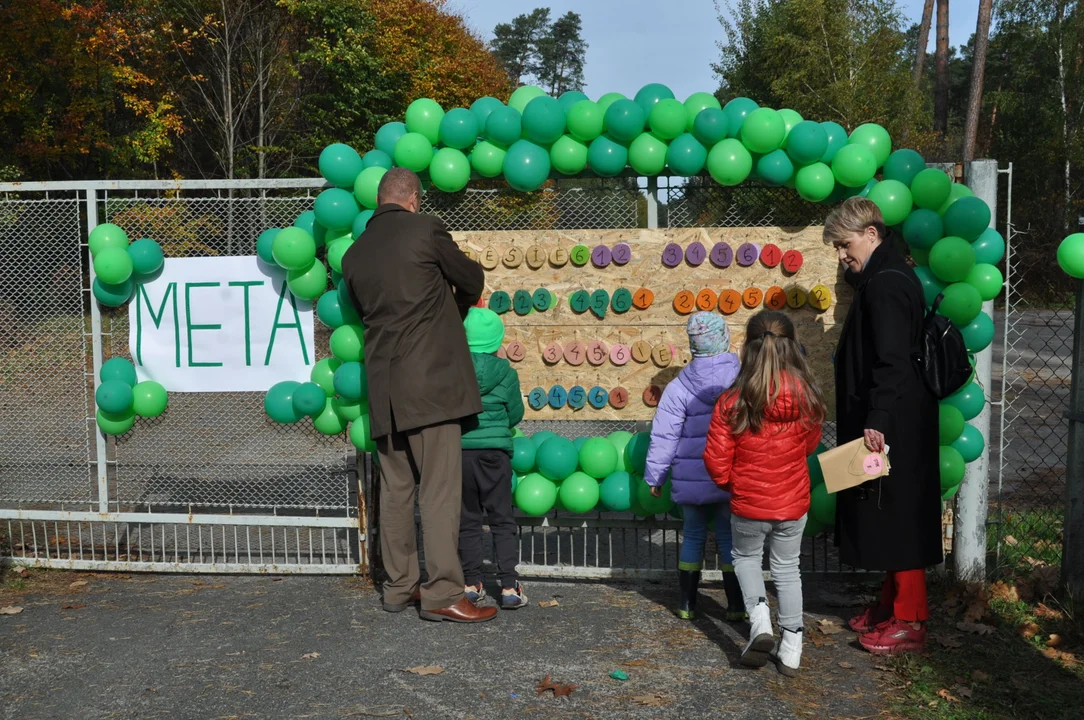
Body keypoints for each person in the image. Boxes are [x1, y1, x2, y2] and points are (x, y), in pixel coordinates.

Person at [341, 168, 496, 623]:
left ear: (380, 200)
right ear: (413, 199)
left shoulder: (353, 255)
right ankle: (444, 593)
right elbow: (471, 278)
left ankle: (398, 588)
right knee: (440, 492)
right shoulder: (425, 228)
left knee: (395, 490)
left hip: (384, 390)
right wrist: (454, 307)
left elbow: (364, 309)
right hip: (432, 387)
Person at [823, 197, 941, 654]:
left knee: (900, 517)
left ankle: (910, 620)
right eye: (836, 247)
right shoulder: (883, 277)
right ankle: (891, 604)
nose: (841, 255)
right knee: (887, 515)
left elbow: (892, 362)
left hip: (894, 421)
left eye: (844, 244)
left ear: (871, 234)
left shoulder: (886, 285)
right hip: (894, 416)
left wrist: (878, 419)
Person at [703, 310, 825, 677]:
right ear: (792, 348)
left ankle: (760, 623)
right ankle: (792, 646)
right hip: (792, 501)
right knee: (788, 570)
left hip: (749, 502)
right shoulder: (809, 397)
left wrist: (733, 484)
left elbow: (716, 460)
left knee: (745, 558)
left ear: (748, 349)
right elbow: (809, 446)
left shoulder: (731, 401)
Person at [644, 312, 743, 621]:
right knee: (729, 538)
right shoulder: (743, 378)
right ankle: (737, 606)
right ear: (725, 339)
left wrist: (656, 475)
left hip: (691, 476)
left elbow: (664, 434)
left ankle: (687, 604)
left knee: (694, 535)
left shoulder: (678, 387)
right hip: (730, 473)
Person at [458, 307, 528, 609]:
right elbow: (516, 414)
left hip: (460, 453)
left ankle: (471, 583)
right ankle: (510, 588)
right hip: (495, 455)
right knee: (502, 519)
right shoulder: (507, 373)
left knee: (467, 520)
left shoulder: (453, 369)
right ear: (497, 339)